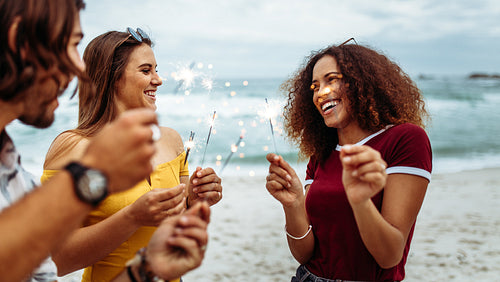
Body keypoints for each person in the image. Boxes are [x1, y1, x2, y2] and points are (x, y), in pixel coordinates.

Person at [0, 0, 210, 281]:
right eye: (70, 46)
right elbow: (53, 258)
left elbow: (36, 267)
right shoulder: (73, 148)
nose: (79, 69)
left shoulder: (12, 170)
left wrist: (146, 268)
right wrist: (95, 181)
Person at [41, 28, 223, 281]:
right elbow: (55, 260)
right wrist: (132, 217)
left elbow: (177, 228)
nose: (158, 80)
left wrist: (194, 198)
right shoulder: (72, 148)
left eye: (156, 70)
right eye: (146, 70)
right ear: (112, 77)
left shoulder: (171, 140)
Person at [265, 40, 432, 281]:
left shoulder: (405, 139)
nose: (320, 93)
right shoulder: (322, 152)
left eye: (332, 79)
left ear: (361, 81)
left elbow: (389, 256)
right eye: (314, 86)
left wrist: (361, 201)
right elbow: (305, 254)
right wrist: (292, 205)